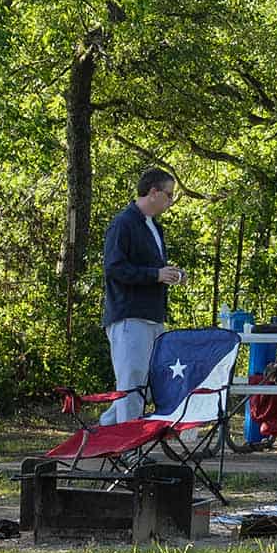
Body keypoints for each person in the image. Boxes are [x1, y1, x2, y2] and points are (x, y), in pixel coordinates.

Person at [101, 167, 185, 425]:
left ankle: (105, 433)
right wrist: (155, 275)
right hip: (129, 316)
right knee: (131, 384)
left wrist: (172, 275)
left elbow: (154, 269)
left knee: (149, 384)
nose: (171, 201)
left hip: (152, 316)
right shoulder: (124, 223)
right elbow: (114, 268)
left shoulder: (155, 228)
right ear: (153, 192)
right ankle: (129, 451)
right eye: (169, 195)